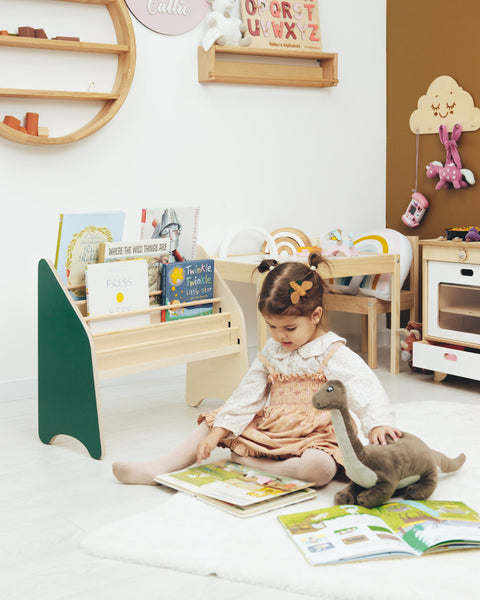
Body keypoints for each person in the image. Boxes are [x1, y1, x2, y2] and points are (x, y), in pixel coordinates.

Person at [112, 253, 402, 486]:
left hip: (314, 436)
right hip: (270, 430)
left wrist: (376, 422)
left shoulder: (331, 351)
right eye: (271, 327)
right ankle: (158, 468)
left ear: (315, 316)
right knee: (212, 422)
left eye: (289, 328)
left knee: (321, 469)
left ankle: (247, 462)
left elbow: (364, 385)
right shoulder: (272, 352)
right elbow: (246, 395)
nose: (280, 336)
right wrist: (217, 434)